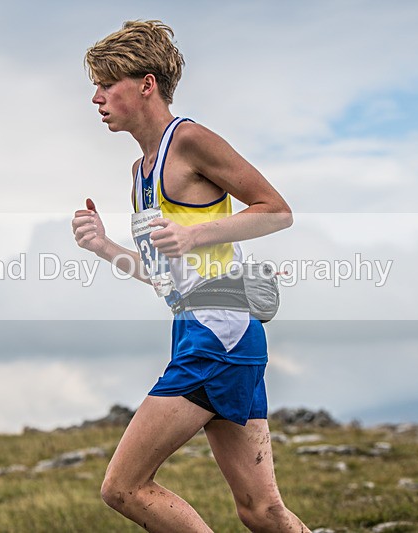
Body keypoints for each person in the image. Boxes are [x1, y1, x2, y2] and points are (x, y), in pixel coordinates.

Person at [73, 20, 310, 533]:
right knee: (262, 512)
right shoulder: (140, 173)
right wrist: (103, 246)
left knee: (123, 486)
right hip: (202, 328)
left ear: (146, 83)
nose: (96, 97)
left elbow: (277, 210)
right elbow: (167, 278)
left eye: (106, 82)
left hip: (218, 334)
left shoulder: (191, 141)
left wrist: (196, 236)